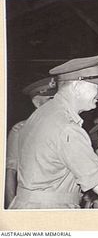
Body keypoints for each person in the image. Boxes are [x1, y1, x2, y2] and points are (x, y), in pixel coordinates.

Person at [9, 54, 98, 209]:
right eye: (97, 85)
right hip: (51, 213)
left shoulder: (42, 114)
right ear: (76, 87)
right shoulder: (67, 128)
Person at [5, 77, 57, 208]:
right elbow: (11, 172)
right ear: (37, 103)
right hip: (34, 203)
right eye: (50, 99)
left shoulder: (67, 129)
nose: (56, 104)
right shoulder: (20, 130)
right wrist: (11, 207)